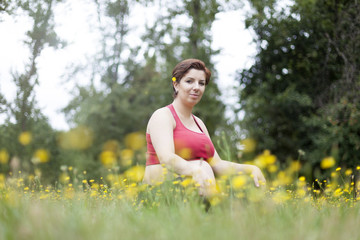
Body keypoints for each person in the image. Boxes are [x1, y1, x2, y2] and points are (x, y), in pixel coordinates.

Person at [143, 59, 266, 197]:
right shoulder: (163, 115)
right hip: (161, 191)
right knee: (203, 166)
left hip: (193, 189)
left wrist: (250, 169)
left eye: (201, 83)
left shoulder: (199, 123)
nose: (196, 87)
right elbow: (166, 158)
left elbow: (217, 164)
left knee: (240, 185)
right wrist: (196, 170)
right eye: (189, 81)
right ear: (176, 84)